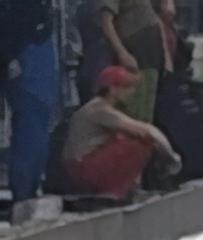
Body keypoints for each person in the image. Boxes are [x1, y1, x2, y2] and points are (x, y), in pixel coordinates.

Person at [62, 65, 181, 198]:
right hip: (82, 167)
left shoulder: (96, 107)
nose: (131, 92)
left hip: (80, 165)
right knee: (141, 142)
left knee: (123, 137)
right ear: (112, 89)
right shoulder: (99, 109)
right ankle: (115, 192)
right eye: (126, 87)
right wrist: (171, 156)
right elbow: (148, 131)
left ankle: (127, 188)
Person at [2, 0, 59, 203]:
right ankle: (24, 196)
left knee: (34, 128)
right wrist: (8, 56)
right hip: (25, 52)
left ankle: (27, 193)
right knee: (31, 129)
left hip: (30, 50)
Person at [97, 0, 164, 122]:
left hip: (151, 53)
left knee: (147, 107)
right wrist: (122, 53)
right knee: (133, 109)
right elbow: (105, 21)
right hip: (134, 54)